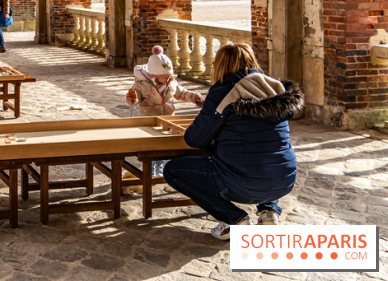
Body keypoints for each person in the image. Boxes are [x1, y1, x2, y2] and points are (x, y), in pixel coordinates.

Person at [162, 43, 304, 240]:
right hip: (284, 180)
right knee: (267, 155)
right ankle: (269, 211)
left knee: (172, 170)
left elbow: (194, 139)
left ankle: (235, 219)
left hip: (240, 183)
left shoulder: (224, 92)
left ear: (219, 64)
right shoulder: (275, 89)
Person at [127, 45, 203, 175]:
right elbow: (136, 97)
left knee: (163, 146)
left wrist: (194, 97)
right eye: (164, 77)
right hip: (149, 121)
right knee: (151, 147)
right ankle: (150, 168)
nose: (168, 79)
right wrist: (132, 99)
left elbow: (181, 93)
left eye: (169, 76)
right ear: (154, 76)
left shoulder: (171, 83)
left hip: (168, 119)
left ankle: (160, 166)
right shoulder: (142, 85)